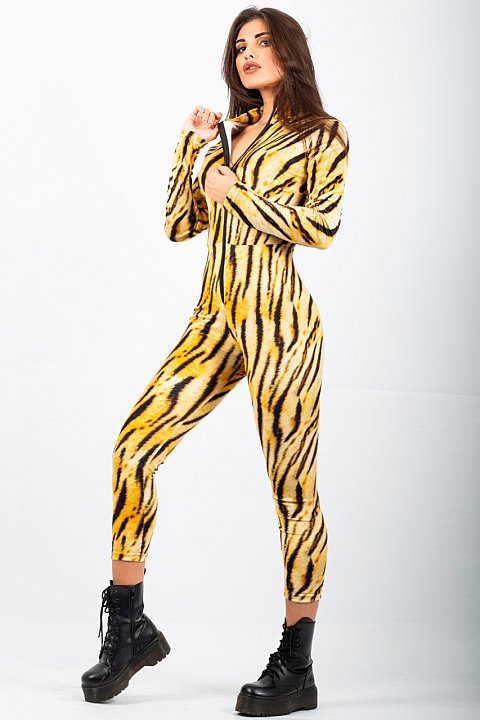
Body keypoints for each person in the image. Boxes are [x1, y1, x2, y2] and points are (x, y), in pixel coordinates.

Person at [81, 6, 349, 715]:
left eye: (262, 42)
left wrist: (238, 191)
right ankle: (130, 627)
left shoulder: (323, 133)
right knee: (133, 449)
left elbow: (321, 228)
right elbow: (179, 225)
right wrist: (192, 148)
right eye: (239, 45)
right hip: (215, 322)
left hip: (281, 325)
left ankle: (296, 663)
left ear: (290, 52)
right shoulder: (229, 133)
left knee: (292, 490)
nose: (247, 53)